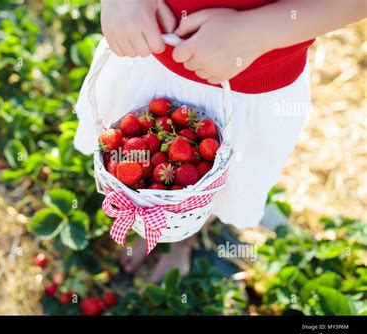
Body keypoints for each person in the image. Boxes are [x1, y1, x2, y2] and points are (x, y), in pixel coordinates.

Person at [74, 0, 367, 282]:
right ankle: (157, 227)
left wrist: (256, 31)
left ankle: (183, 242)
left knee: (212, 185)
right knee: (184, 177)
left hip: (250, 83)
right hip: (150, 49)